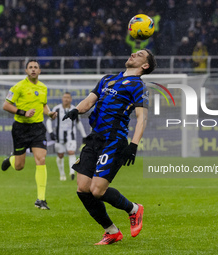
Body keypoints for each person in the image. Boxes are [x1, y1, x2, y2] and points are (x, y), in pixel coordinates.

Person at [63, 49, 156, 245]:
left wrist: (134, 145)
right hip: (94, 138)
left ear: (145, 66)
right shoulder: (107, 79)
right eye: (134, 52)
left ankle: (134, 209)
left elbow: (142, 118)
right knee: (82, 188)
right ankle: (111, 231)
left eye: (139, 55)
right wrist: (75, 110)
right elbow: (89, 101)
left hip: (114, 140)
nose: (133, 54)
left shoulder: (138, 86)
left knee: (97, 190)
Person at [1, 59, 57, 210]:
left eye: (35, 67)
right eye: (30, 67)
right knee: (19, 166)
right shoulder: (18, 87)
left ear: (40, 71)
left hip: (37, 128)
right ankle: (11, 159)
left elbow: (43, 105)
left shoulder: (43, 88)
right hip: (21, 128)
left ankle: (41, 199)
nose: (33, 69)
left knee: (41, 159)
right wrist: (23, 113)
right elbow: (6, 105)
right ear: (26, 71)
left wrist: (50, 113)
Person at [46, 92, 87, 181]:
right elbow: (49, 121)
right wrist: (50, 132)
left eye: (68, 97)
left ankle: (72, 172)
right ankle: (62, 174)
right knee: (60, 155)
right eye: (64, 97)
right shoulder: (56, 109)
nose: (66, 99)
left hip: (71, 136)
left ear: (71, 99)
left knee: (71, 152)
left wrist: (84, 136)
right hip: (59, 136)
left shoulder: (74, 109)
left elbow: (78, 123)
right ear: (62, 99)